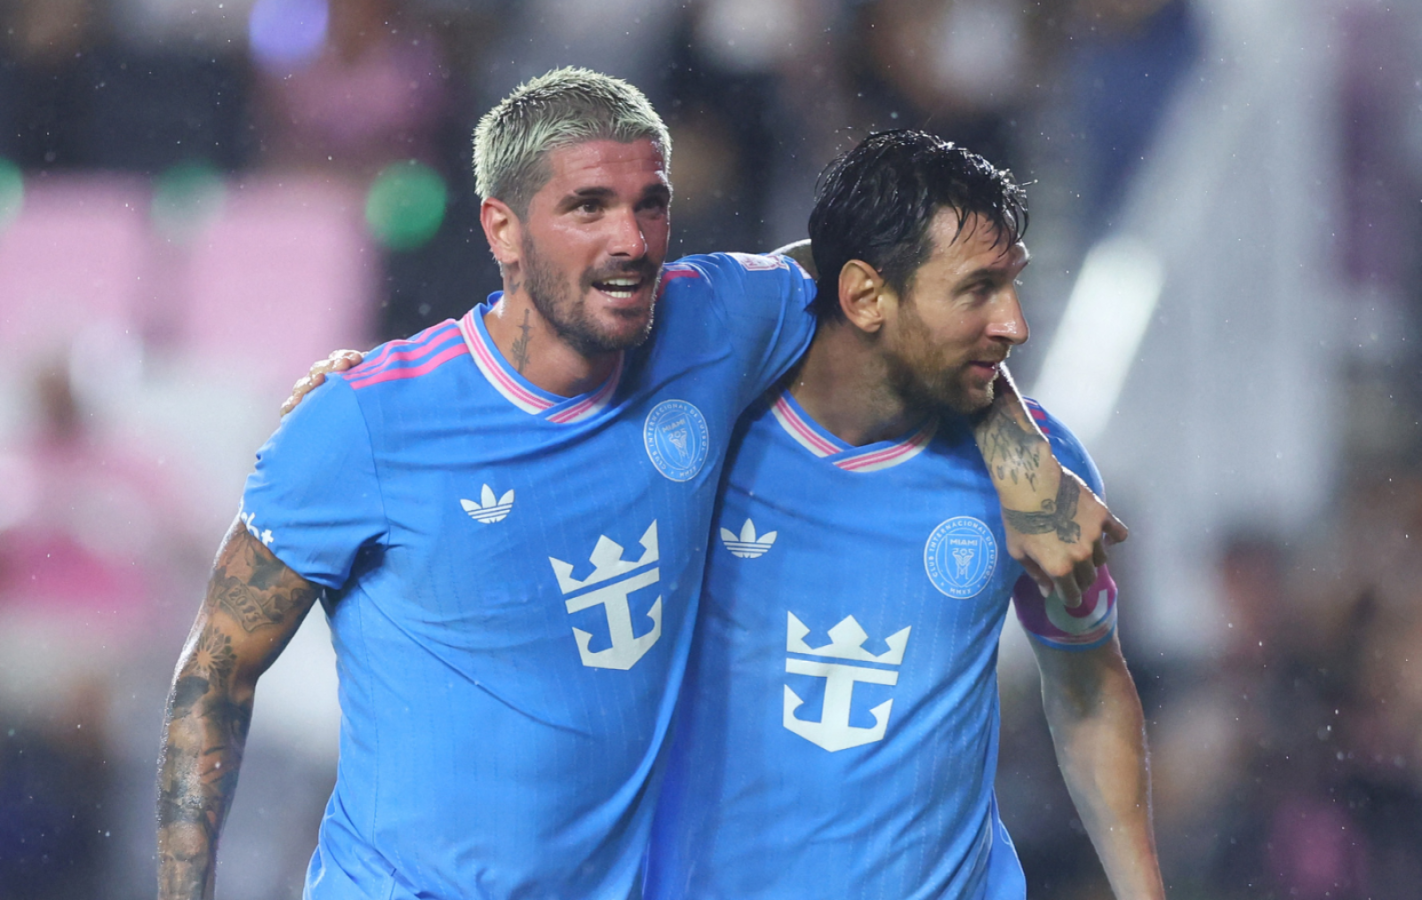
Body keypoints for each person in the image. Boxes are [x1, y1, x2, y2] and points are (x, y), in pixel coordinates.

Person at [158, 68, 1120, 899]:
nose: (631, 238)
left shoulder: (712, 325)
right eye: (587, 207)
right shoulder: (366, 422)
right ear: (502, 227)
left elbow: (902, 289)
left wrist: (1009, 435)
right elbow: (214, 670)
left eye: (650, 203)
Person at [643, 132, 1164, 899]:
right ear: (864, 297)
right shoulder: (706, 434)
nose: (1015, 323)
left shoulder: (1041, 479)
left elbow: (1087, 686)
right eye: (977, 289)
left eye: (1011, 284)